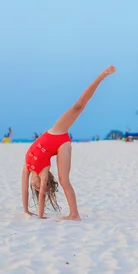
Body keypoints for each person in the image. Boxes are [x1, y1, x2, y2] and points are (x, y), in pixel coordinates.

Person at [21, 65, 116, 221]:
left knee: (77, 107)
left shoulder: (26, 167)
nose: (35, 186)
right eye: (38, 187)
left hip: (55, 132)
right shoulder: (44, 171)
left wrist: (25, 210)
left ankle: (101, 76)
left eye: (35, 187)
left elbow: (24, 190)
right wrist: (38, 216)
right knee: (64, 180)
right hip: (61, 144)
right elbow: (42, 194)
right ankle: (74, 214)